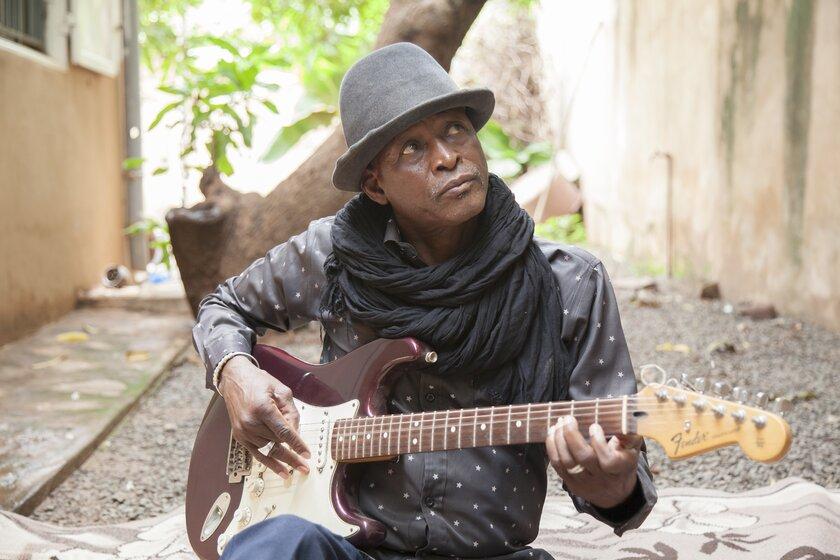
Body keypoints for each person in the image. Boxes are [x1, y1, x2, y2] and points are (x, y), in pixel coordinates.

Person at [192, 42, 657, 560]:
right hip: (354, 549)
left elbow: (623, 484)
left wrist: (612, 486)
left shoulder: (569, 283)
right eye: (412, 148)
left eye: (455, 129)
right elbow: (222, 307)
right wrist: (235, 373)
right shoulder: (335, 255)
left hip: (492, 556)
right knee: (273, 545)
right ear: (375, 186)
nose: (447, 157)